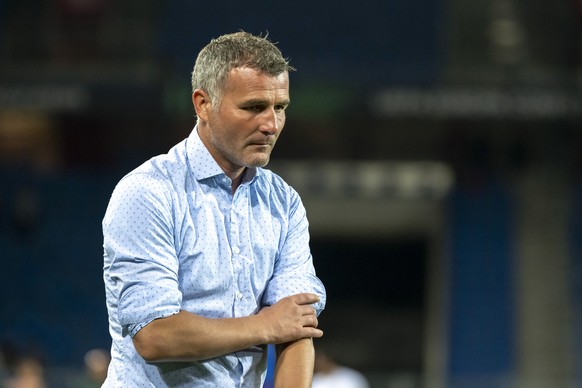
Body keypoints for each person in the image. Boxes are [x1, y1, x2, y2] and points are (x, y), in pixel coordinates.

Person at [102, 31, 326, 387]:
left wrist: (281, 327)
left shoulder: (284, 204)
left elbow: (296, 328)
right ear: (203, 104)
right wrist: (265, 325)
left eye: (279, 108)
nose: (270, 125)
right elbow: (156, 336)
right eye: (253, 107)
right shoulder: (147, 192)